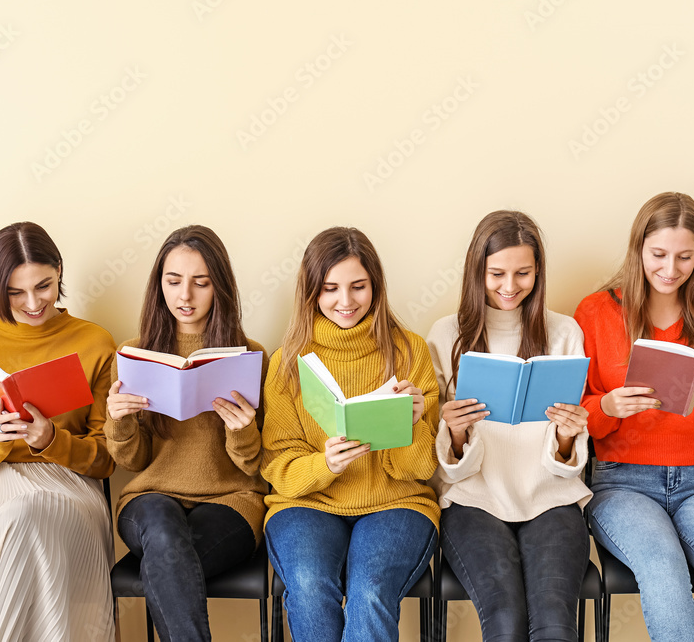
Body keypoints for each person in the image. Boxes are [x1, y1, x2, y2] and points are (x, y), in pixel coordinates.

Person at [574, 192, 694, 642]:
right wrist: (607, 406)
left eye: (685, 257)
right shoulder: (596, 312)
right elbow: (572, 415)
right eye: (658, 254)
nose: (670, 269)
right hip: (622, 481)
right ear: (639, 248)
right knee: (664, 573)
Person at [0, 222, 116, 642]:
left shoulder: (94, 342)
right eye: (16, 293)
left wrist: (51, 440)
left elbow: (108, 458)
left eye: (44, 286)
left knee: (24, 516)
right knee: (14, 518)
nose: (34, 303)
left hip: (70, 488)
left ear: (59, 271)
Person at [260, 226, 440, 642]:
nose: (346, 301)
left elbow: (423, 468)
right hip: (306, 502)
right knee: (307, 585)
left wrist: (410, 424)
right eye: (330, 289)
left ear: (376, 287)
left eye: (358, 286)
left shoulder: (411, 351)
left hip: (398, 501)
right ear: (311, 292)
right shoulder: (287, 362)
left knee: (371, 591)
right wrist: (324, 464)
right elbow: (278, 466)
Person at [426, 210, 592, 642]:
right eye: (495, 273)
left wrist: (568, 436)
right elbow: (446, 469)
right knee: (505, 622)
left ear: (538, 272)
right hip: (474, 501)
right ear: (476, 271)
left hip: (551, 499)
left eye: (523, 273)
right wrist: (456, 432)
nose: (509, 286)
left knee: (555, 625)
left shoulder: (564, 333)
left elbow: (565, 465)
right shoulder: (446, 336)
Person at [105, 226, 269, 641]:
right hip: (149, 497)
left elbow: (257, 466)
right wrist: (120, 419)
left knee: (167, 560)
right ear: (158, 285)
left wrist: (243, 431)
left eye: (201, 283)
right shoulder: (132, 353)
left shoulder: (250, 355)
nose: (185, 296)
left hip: (231, 500)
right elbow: (133, 462)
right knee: (162, 533)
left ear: (220, 288)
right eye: (173, 281)